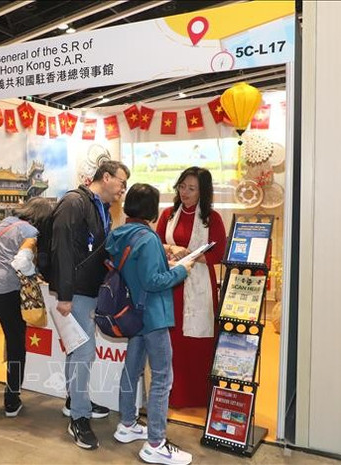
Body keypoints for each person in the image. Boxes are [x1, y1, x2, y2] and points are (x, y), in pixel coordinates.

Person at [106, 183, 194, 465]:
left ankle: (128, 424)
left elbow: (139, 272)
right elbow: (154, 281)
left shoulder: (120, 233)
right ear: (152, 208)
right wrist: (182, 269)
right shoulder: (148, 237)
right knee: (162, 378)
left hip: (133, 314)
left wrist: (163, 262)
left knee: (131, 371)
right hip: (153, 316)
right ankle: (155, 442)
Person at [50, 160, 129, 450]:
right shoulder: (75, 202)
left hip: (90, 290)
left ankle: (75, 401)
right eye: (121, 182)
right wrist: (65, 295)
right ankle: (79, 418)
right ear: (105, 177)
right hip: (76, 293)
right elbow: (62, 249)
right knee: (84, 352)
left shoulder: (101, 209)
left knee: (79, 351)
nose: (123, 189)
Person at [0, 197, 54, 417]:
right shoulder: (31, 233)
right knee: (16, 346)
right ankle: (11, 400)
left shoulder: (7, 221)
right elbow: (22, 261)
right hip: (7, 290)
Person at [156, 167, 227, 408]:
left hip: (199, 285)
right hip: (172, 284)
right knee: (173, 340)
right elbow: (156, 244)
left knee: (198, 341)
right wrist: (172, 250)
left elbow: (219, 253)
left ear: (202, 192)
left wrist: (192, 257)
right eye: (182, 186)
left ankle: (199, 395)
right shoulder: (168, 214)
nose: (185, 192)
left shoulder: (212, 218)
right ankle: (175, 395)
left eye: (192, 188)